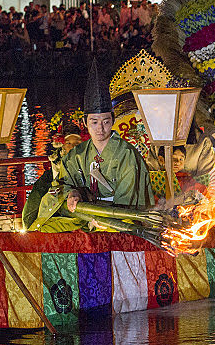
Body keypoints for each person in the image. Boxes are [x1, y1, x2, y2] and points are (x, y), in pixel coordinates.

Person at [30, 61, 154, 232]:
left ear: (113, 120)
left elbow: (128, 201)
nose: (100, 129)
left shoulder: (127, 155)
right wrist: (73, 194)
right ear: (84, 122)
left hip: (118, 217)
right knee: (45, 228)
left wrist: (101, 218)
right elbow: (62, 185)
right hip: (85, 215)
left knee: (123, 229)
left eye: (105, 122)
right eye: (94, 122)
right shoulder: (77, 155)